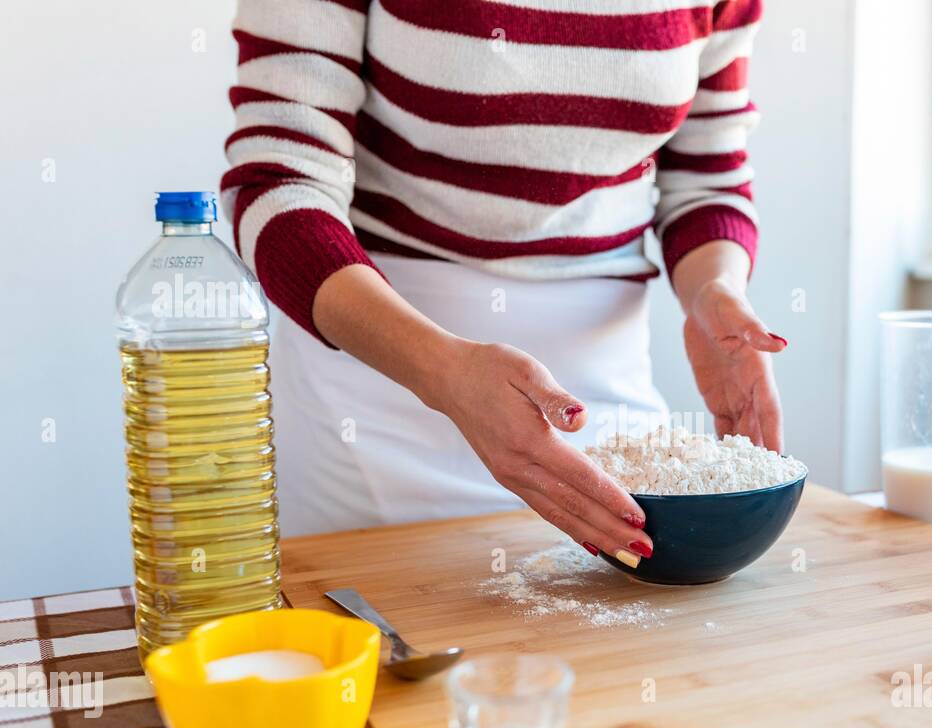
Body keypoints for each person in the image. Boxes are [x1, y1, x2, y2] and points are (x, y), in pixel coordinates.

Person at [221, 0, 785, 569]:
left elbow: (706, 176)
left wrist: (716, 291)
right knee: (396, 633)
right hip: (383, 378)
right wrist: (442, 372)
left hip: (600, 390)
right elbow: (280, 180)